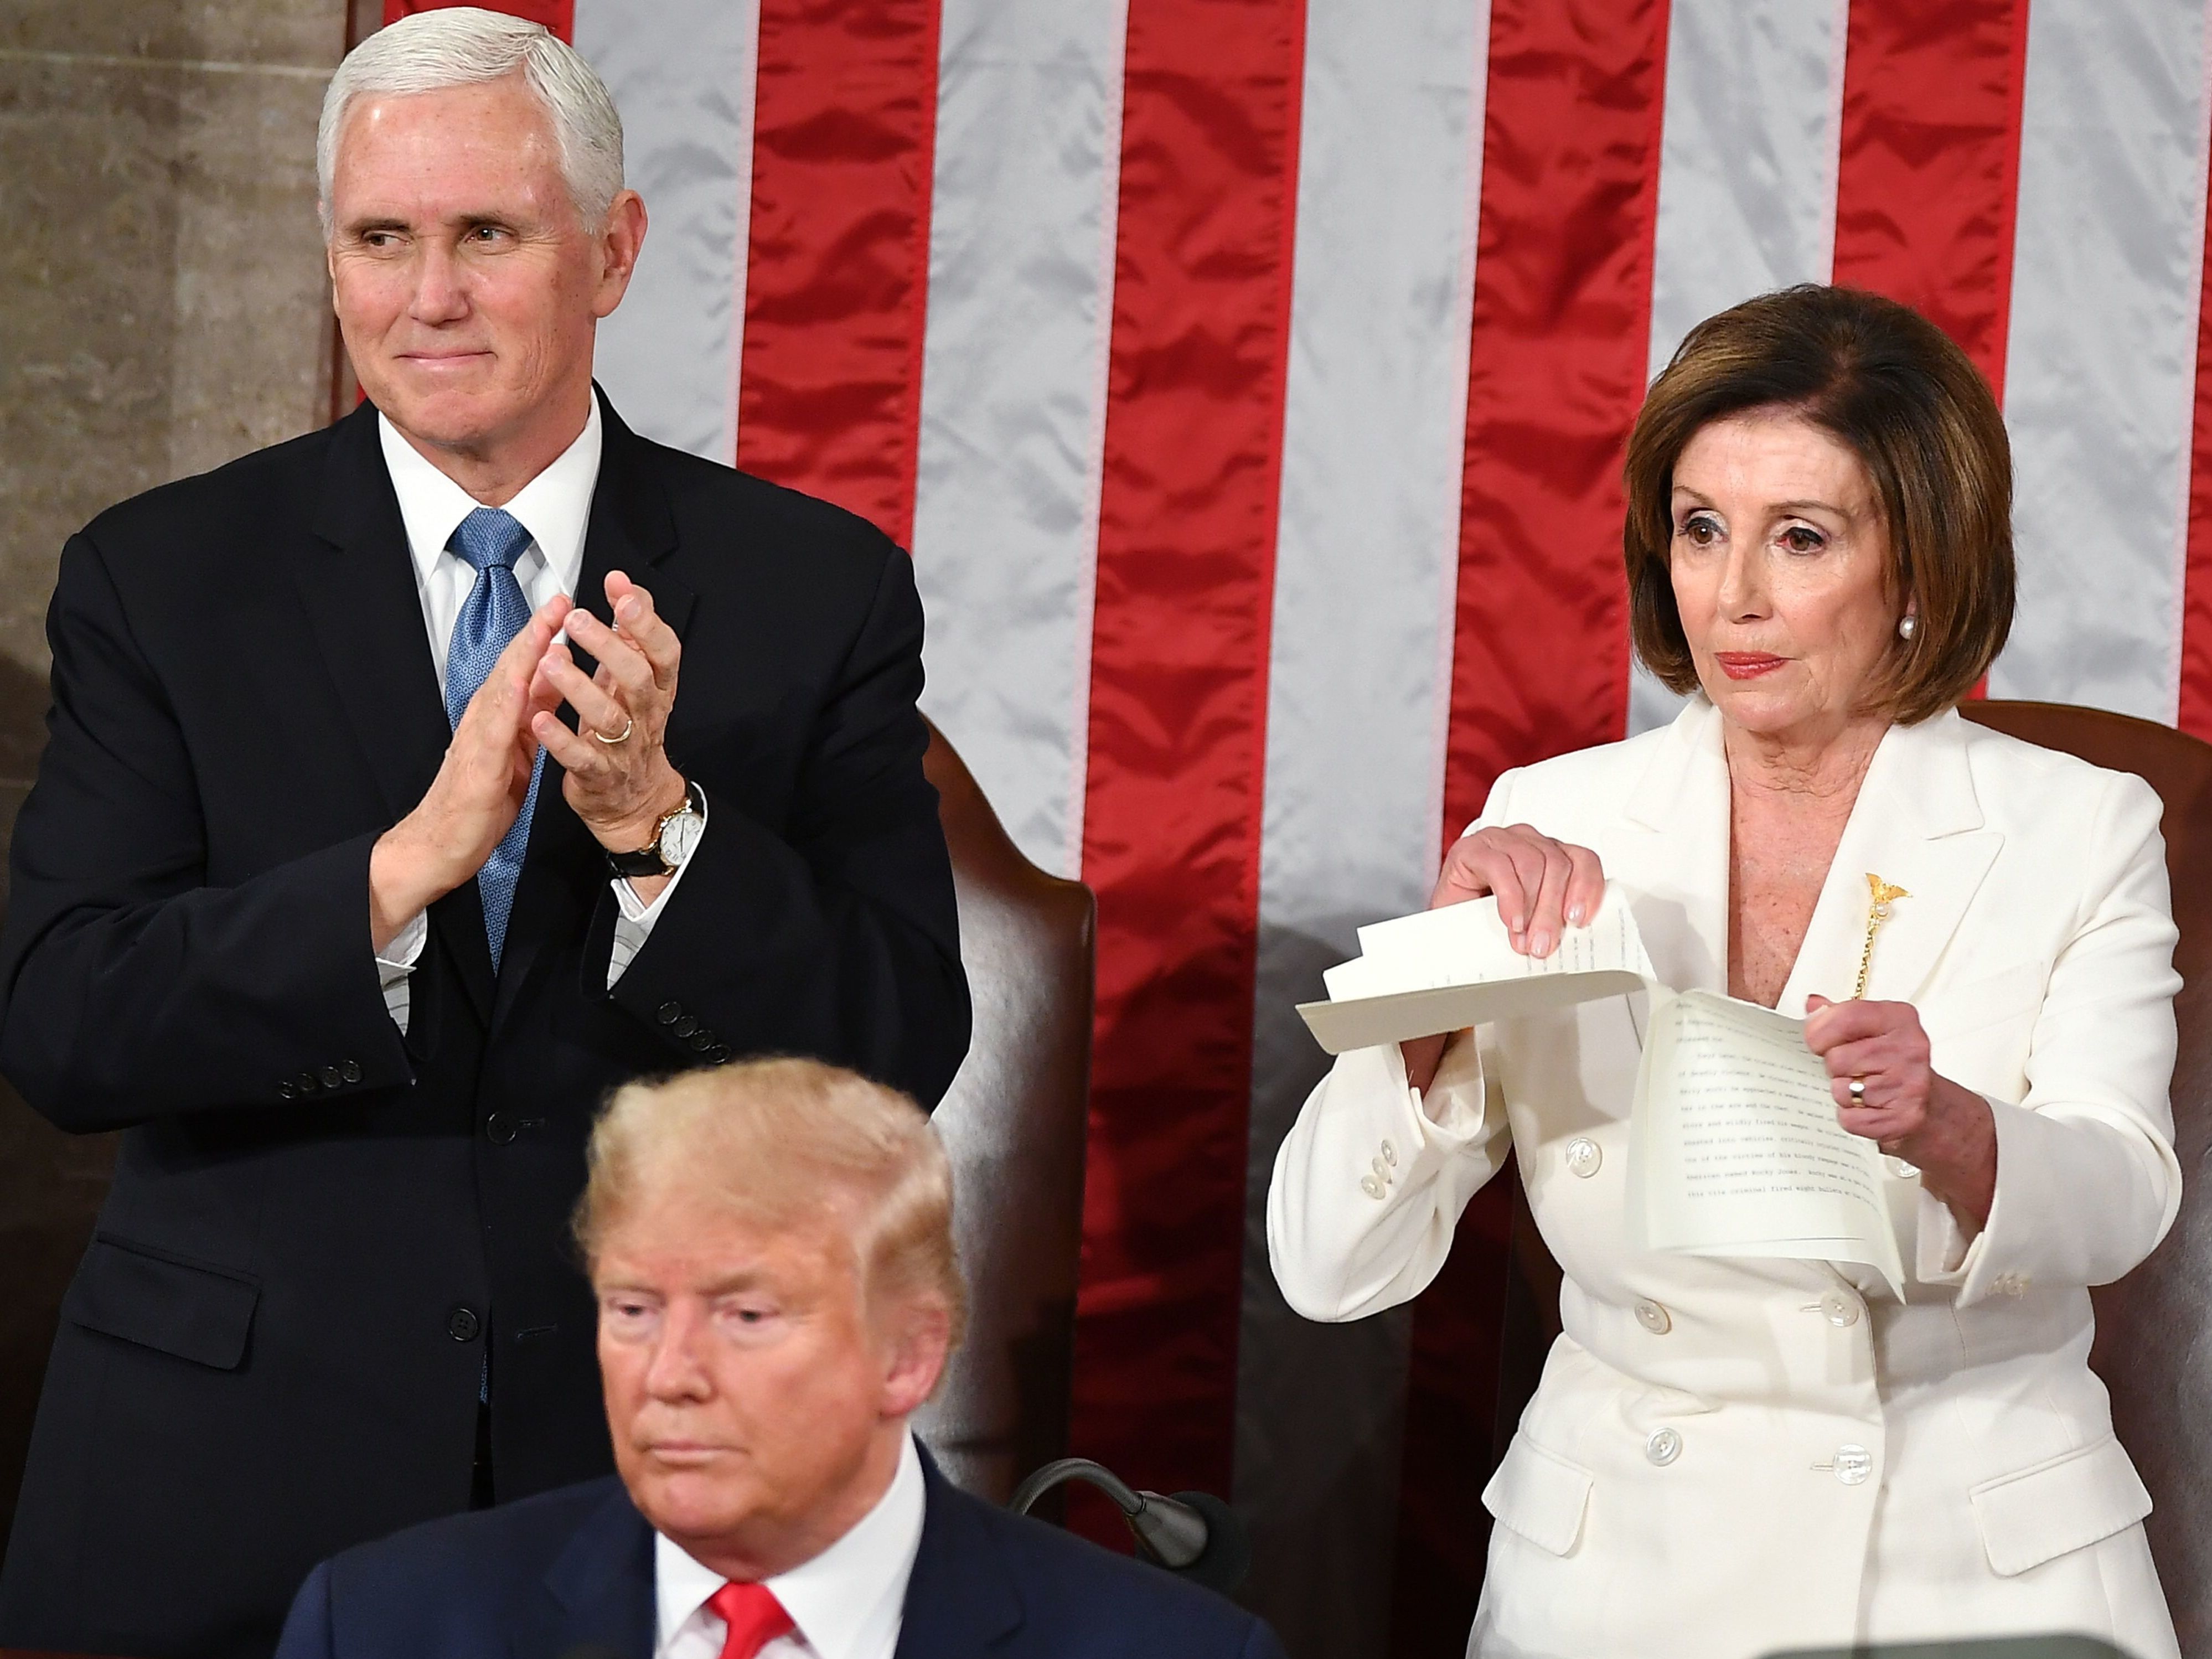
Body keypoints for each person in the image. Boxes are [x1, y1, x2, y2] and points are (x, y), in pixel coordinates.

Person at [0, 12, 969, 1658]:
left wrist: (661, 828)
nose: (427, 295)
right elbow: (64, 1016)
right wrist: (390, 879)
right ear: (331, 262)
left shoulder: (815, 590)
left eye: (486, 236)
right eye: (382, 239)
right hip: (217, 1479)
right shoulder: (162, 579)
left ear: (611, 249)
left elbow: (896, 1046)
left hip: (634, 1471)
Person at [1268, 286, 2183, 1657]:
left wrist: (1952, 1126)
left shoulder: (2082, 824)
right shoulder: (1555, 815)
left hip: (1970, 1573)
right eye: (1702, 528)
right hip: (1618, 1571)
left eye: (1801, 538)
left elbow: (2124, 1192)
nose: (1735, 595)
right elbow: (1330, 1267)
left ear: (1921, 565)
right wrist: (1428, 1007)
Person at [268, 1058, 1285, 1659]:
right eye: (632, 1307)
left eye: (746, 1314)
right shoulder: (381, 1628)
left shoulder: (1170, 1653)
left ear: (911, 1353)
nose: (670, 1372)